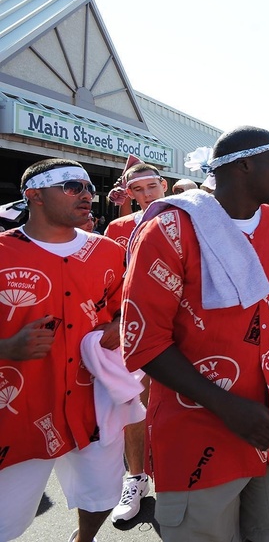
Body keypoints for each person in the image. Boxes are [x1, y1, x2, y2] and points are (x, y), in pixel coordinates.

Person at [120, 126, 269, 540]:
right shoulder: (169, 231)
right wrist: (229, 408)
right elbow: (145, 342)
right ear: (244, 165)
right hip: (200, 435)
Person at [0, 159, 127, 542]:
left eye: (89, 187)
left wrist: (119, 326)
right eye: (72, 186)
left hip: (93, 404)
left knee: (103, 493)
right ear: (34, 195)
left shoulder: (107, 252)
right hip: (17, 411)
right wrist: (6, 346)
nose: (87, 195)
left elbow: (127, 307)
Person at [103, 162, 169, 523]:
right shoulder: (117, 228)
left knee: (179, 400)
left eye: (151, 187)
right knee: (135, 403)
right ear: (128, 193)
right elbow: (109, 279)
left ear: (164, 185)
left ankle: (178, 474)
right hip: (134, 327)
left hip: (179, 326)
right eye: (137, 190)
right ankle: (136, 477)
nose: (146, 195)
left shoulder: (185, 219)